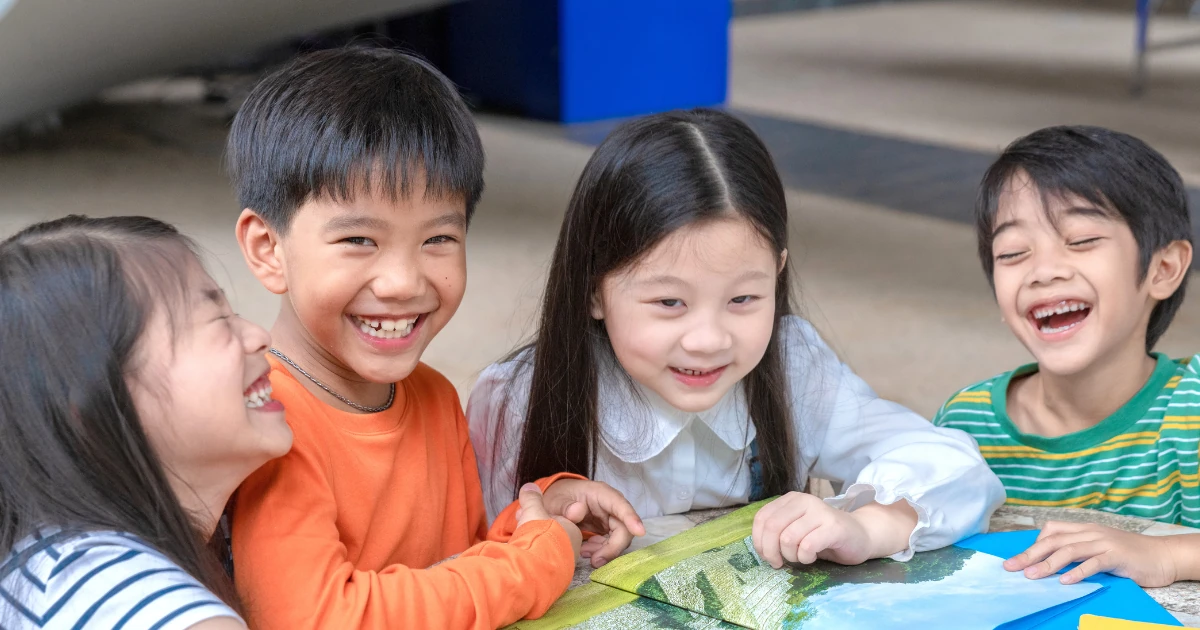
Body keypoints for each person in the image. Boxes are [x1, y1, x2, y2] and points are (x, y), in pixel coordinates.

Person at [469, 108, 1005, 571]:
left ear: (777, 273)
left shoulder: (793, 366)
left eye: (743, 300)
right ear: (593, 291)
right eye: (669, 303)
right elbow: (468, 567)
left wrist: (867, 528)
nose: (707, 340)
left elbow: (954, 467)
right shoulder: (516, 397)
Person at [227, 47, 643, 630]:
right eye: (359, 241)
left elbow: (457, 569)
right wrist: (535, 560)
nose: (403, 282)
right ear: (268, 250)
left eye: (438, 239)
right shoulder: (265, 422)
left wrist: (534, 519)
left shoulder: (434, 396)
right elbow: (316, 617)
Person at [933, 125, 1198, 587]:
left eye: (1081, 241)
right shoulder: (967, 423)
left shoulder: (1192, 406)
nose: (1044, 271)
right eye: (1013, 253)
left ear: (1164, 268)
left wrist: (1166, 556)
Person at [0, 215, 293, 629]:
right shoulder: (110, 591)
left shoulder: (58, 560)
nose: (259, 335)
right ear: (100, 408)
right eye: (217, 321)